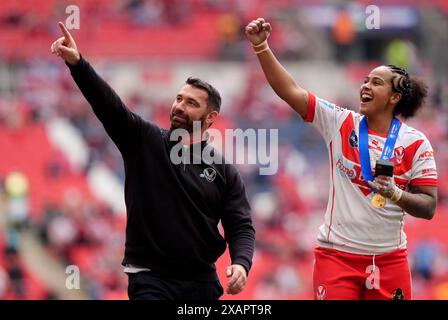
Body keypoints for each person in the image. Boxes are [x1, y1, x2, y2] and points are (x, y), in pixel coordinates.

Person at [51, 22, 255, 300]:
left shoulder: (224, 171)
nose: (180, 106)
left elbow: (240, 224)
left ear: (210, 119)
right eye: (179, 98)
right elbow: (109, 106)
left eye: (192, 103)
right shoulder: (144, 140)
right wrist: (78, 64)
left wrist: (241, 263)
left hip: (202, 283)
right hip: (151, 279)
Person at [245, 18, 438, 300]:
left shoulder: (417, 143)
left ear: (395, 97)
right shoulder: (340, 121)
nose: (365, 87)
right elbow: (290, 91)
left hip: (389, 260)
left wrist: (396, 194)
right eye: (365, 81)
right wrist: (261, 46)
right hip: (337, 257)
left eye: (376, 82)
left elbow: (429, 206)